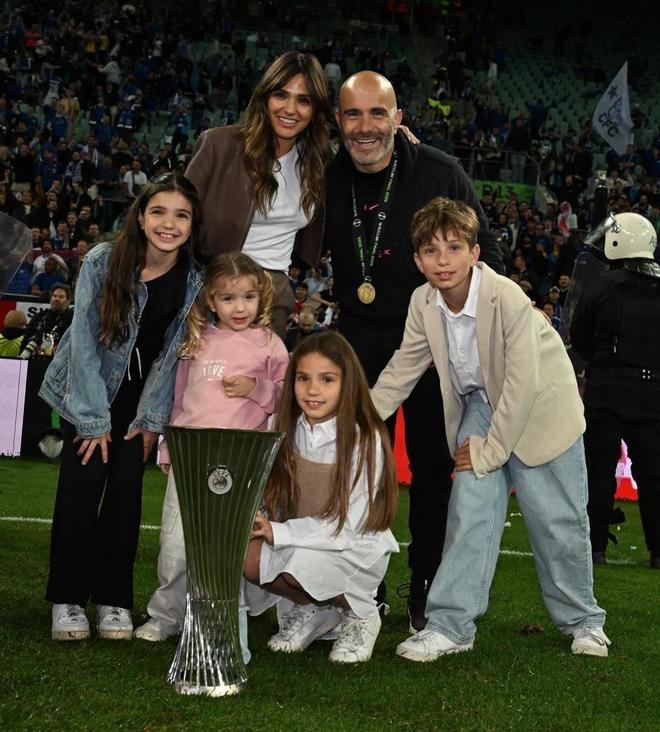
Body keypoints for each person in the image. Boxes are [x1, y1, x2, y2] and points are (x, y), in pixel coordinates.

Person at [371, 197, 609, 661]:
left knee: (558, 523)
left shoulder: (508, 297)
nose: (443, 260)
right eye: (431, 250)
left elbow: (520, 387)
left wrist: (487, 452)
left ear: (475, 252)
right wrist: (357, 422)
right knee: (468, 513)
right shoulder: (423, 302)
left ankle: (584, 622)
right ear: (418, 260)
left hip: (541, 409)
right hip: (482, 406)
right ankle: (451, 626)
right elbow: (402, 369)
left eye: (454, 247)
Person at [325, 70, 504, 630]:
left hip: (431, 342)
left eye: (378, 113)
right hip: (358, 340)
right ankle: (361, 584)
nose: (366, 127)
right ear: (338, 121)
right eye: (353, 114)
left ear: (398, 118)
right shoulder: (323, 174)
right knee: (359, 466)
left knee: (431, 469)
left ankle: (425, 586)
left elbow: (486, 249)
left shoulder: (439, 171)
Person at [38, 174, 206, 642]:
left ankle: (114, 600)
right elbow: (83, 345)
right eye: (159, 212)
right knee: (81, 490)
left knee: (126, 497)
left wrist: (151, 419)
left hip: (140, 405)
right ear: (141, 216)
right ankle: (68, 599)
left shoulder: (194, 277)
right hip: (86, 392)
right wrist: (92, 421)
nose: (169, 224)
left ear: (193, 225)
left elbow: (172, 354)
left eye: (181, 215)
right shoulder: (103, 260)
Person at [134, 252, 289, 650]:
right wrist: (169, 447)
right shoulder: (196, 340)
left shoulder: (271, 345)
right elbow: (179, 400)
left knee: (228, 544)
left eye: (248, 297)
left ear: (261, 298)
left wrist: (257, 389)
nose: (240, 307)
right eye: (228, 298)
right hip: (191, 459)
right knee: (175, 543)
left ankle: (218, 615)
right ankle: (166, 616)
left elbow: (287, 400)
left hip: (241, 463)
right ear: (211, 300)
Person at [244, 331, 399, 664]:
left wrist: (279, 532)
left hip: (351, 548)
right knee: (245, 555)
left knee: (300, 562)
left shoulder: (365, 438)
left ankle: (361, 614)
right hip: (299, 540)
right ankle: (314, 608)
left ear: (348, 383)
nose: (313, 390)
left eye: (327, 379)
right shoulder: (282, 426)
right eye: (303, 378)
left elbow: (349, 526)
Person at [186, 51, 332, 339]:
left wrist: (397, 140)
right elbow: (178, 215)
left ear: (315, 109)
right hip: (210, 289)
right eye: (281, 95)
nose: (290, 109)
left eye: (304, 100)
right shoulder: (218, 145)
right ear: (265, 97)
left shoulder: (319, 163)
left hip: (273, 297)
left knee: (262, 371)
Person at [569, 212, 660, 569]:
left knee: (599, 469)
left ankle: (595, 548)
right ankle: (657, 550)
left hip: (607, 389)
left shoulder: (603, 285)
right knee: (653, 473)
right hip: (652, 392)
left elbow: (578, 335)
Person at [20, 283, 73, 358]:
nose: (57, 299)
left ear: (68, 301)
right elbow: (24, 342)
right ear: (50, 299)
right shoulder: (39, 317)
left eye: (61, 297)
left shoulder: (72, 320)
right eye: (54, 296)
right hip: (35, 360)